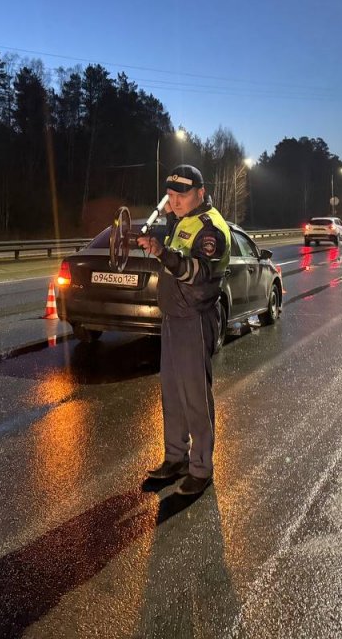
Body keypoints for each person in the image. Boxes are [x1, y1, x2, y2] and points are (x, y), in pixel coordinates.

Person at [136, 164, 230, 495]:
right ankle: (175, 457)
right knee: (172, 393)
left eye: (183, 195)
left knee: (195, 397)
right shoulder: (182, 222)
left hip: (195, 319)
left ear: (201, 193)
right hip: (174, 318)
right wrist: (158, 248)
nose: (175, 201)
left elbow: (197, 273)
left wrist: (163, 252)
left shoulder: (210, 229)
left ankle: (201, 468)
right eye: (171, 195)